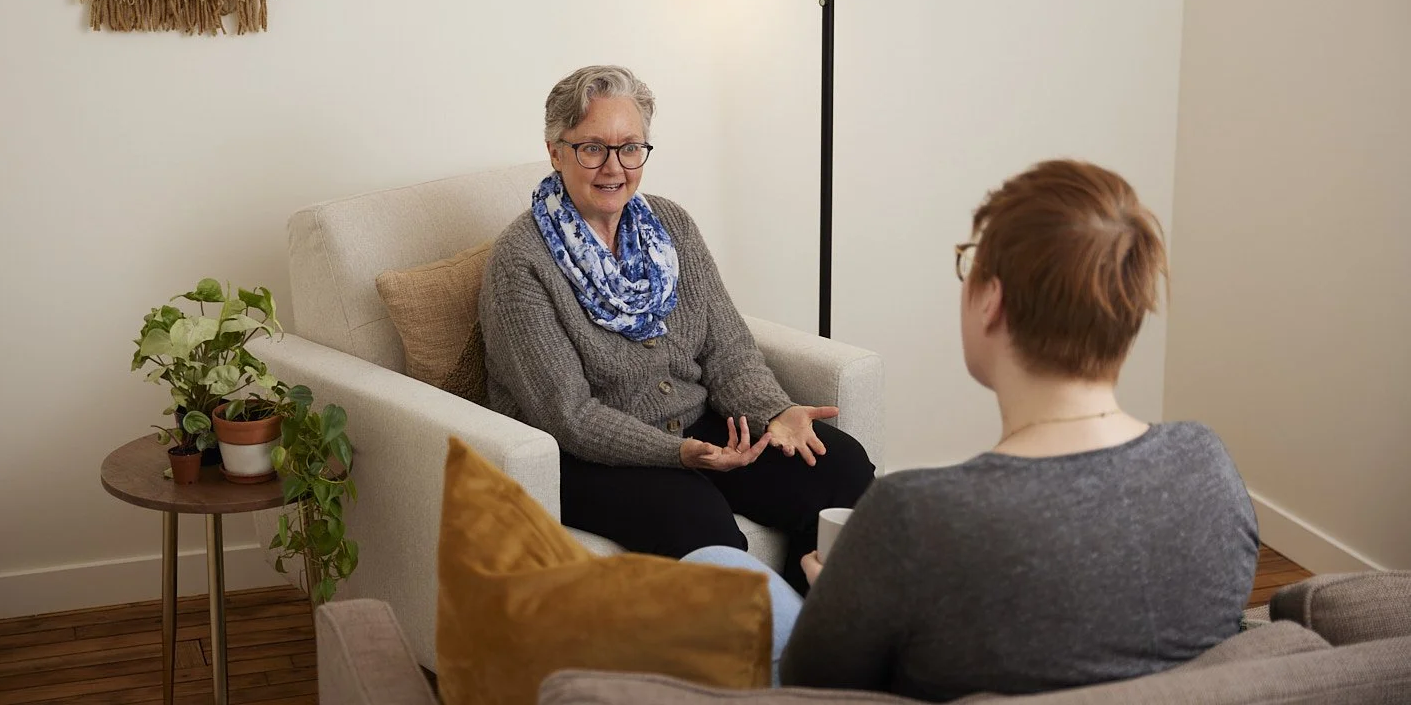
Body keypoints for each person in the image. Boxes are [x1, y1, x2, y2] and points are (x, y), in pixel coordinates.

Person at [700, 160, 1259, 697]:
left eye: (970, 263)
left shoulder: (914, 513)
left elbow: (813, 682)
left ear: (992, 300)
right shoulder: (1208, 465)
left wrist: (835, 602)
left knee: (716, 565)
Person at [479, 65, 876, 593]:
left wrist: (774, 412)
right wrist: (678, 455)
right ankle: (761, 639)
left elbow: (728, 350)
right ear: (555, 152)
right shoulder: (520, 263)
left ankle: (810, 626)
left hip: (695, 427)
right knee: (701, 522)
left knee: (842, 468)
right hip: (587, 457)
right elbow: (568, 415)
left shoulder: (670, 225)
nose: (614, 167)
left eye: (630, 148)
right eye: (592, 148)